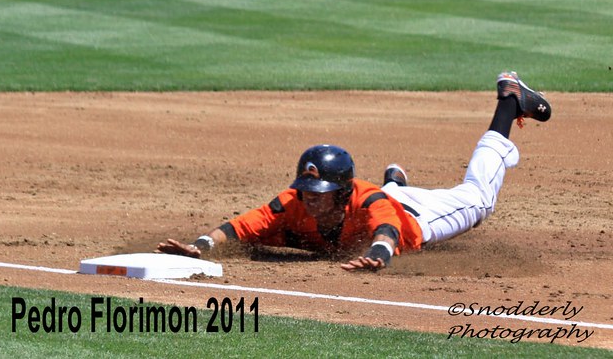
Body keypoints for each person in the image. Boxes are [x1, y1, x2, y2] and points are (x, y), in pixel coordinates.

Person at [157, 71, 551, 272]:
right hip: (386, 198)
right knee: (387, 194)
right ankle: (395, 181)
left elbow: (387, 230)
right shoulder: (292, 201)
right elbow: (238, 227)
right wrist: (201, 247)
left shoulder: (368, 202)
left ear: (344, 193)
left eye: (322, 194)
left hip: (416, 217)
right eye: (308, 192)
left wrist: (379, 256)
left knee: (479, 200)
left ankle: (509, 101)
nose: (311, 201)